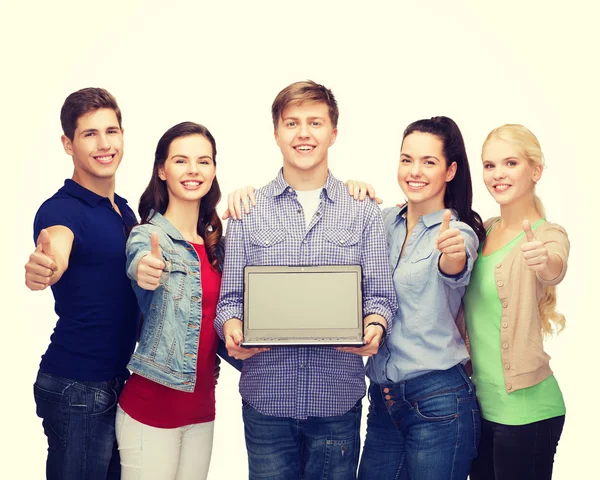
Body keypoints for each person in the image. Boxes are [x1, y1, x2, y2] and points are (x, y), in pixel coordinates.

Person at [214, 80, 397, 480]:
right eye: (292, 123)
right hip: (266, 401)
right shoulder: (248, 210)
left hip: (337, 399)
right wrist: (231, 328)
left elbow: (381, 296)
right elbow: (230, 300)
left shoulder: (361, 211)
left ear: (333, 132)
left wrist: (374, 325)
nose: (303, 133)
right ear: (276, 133)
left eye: (315, 122)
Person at [24, 87, 140, 480]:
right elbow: (55, 248)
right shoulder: (62, 209)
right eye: (90, 134)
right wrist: (46, 266)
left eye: (112, 131)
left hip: (113, 381)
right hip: (78, 386)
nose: (104, 144)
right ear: (67, 143)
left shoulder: (123, 210)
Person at [115, 121, 237, 479]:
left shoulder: (217, 245)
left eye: (204, 161)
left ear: (214, 170)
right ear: (162, 170)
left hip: (201, 411)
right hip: (150, 410)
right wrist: (145, 269)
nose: (193, 170)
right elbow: (139, 260)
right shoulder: (148, 236)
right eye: (181, 160)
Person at [465, 124, 569, 480]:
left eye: (510, 163)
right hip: (482, 409)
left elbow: (554, 266)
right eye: (489, 165)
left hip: (529, 411)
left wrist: (546, 262)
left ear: (535, 171)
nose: (497, 174)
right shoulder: (483, 230)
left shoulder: (547, 234)